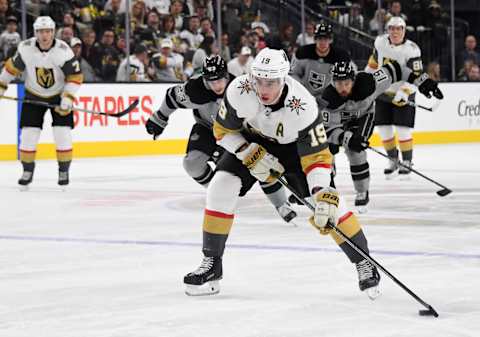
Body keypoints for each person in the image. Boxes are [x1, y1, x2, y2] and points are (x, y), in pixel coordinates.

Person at [180, 48, 442, 299]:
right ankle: (212, 262)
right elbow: (222, 131)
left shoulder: (303, 107)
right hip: (252, 141)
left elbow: (317, 157)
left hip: (296, 149)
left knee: (329, 207)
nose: (262, 89)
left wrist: (322, 192)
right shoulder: (239, 90)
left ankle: (364, 261)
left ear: (284, 79)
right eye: (258, 81)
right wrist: (247, 151)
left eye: (270, 83)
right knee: (220, 186)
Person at [145, 55, 297, 223]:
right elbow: (171, 96)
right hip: (206, 129)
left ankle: (281, 204)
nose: (216, 85)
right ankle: (216, 192)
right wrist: (159, 118)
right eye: (211, 81)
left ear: (226, 75)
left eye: (219, 80)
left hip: (234, 134)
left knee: (259, 163)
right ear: (204, 79)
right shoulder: (194, 89)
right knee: (192, 164)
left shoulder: (241, 87)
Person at [320, 61, 443, 213]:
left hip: (363, 117)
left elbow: (396, 69)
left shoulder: (370, 83)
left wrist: (422, 81)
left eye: (346, 83)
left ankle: (362, 191)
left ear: (353, 80)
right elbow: (328, 131)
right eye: (339, 84)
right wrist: (345, 138)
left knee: (355, 152)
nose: (343, 88)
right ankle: (326, 184)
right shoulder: (328, 99)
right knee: (326, 149)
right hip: (337, 124)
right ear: (333, 82)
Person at [0, 16, 83, 189]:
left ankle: (63, 170)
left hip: (59, 94)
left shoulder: (64, 50)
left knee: (62, 134)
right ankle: (27, 170)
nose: (44, 36)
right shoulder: (26, 48)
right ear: (35, 32)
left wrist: (67, 98)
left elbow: (75, 77)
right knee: (29, 135)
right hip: (33, 94)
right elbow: (10, 70)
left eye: (48, 31)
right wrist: (1, 86)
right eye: (41, 32)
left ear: (53, 32)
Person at [365, 16, 423, 179]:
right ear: (387, 30)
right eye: (392, 28)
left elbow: (416, 75)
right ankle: (393, 160)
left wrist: (405, 91)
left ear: (404, 30)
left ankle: (407, 161)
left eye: (399, 29)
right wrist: (365, 80)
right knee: (384, 130)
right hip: (383, 93)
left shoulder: (412, 50)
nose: (395, 32)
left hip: (403, 94)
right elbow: (373, 64)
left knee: (403, 130)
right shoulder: (380, 43)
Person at [291, 22, 351, 100]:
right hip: (305, 96)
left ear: (331, 40)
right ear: (315, 39)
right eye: (319, 39)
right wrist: (300, 90)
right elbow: (294, 74)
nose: (322, 42)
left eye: (326, 39)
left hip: (328, 99)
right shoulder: (303, 53)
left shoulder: (341, 57)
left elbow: (347, 79)